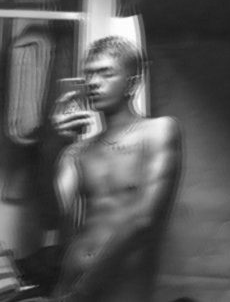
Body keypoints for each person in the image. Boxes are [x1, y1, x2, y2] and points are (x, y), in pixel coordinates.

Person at [50, 36, 182, 302]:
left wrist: (83, 291)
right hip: (71, 280)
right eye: (89, 74)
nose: (93, 82)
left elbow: (143, 219)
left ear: (131, 83)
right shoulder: (77, 152)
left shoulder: (159, 131)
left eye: (105, 73)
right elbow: (54, 216)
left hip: (120, 284)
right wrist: (56, 141)